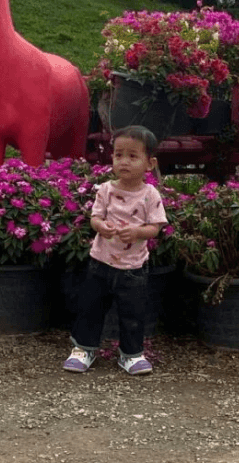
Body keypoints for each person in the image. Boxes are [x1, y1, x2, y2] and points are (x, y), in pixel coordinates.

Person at [63, 125, 168, 376]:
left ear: (149, 163)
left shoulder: (150, 194)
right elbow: (94, 218)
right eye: (118, 154)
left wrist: (138, 232)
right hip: (100, 261)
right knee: (90, 307)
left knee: (132, 313)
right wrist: (102, 227)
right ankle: (84, 349)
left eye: (133, 156)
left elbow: (156, 227)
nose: (124, 161)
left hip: (133, 268)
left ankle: (131, 354)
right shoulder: (106, 190)